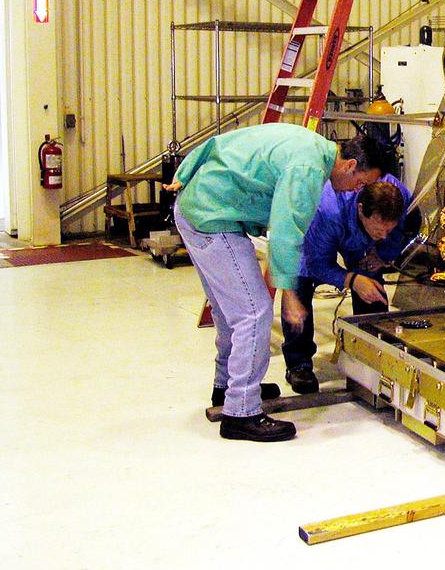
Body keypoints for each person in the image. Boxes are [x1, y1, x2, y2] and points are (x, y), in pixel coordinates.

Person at [168, 124, 386, 443]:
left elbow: (220, 141)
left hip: (196, 208)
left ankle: (227, 388)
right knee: (253, 315)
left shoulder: (307, 143)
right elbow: (285, 230)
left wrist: (184, 172)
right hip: (213, 220)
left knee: (231, 314)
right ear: (352, 166)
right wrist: (289, 293)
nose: (357, 191)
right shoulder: (309, 167)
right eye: (361, 183)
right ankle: (241, 413)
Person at [281, 176, 411, 394]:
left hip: (357, 235)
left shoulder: (399, 195)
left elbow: (403, 228)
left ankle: (374, 351)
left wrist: (383, 254)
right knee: (298, 284)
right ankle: (298, 364)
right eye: (379, 229)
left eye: (388, 229)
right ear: (362, 210)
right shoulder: (326, 211)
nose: (383, 235)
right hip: (315, 238)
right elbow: (316, 264)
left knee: (372, 286)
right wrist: (352, 280)